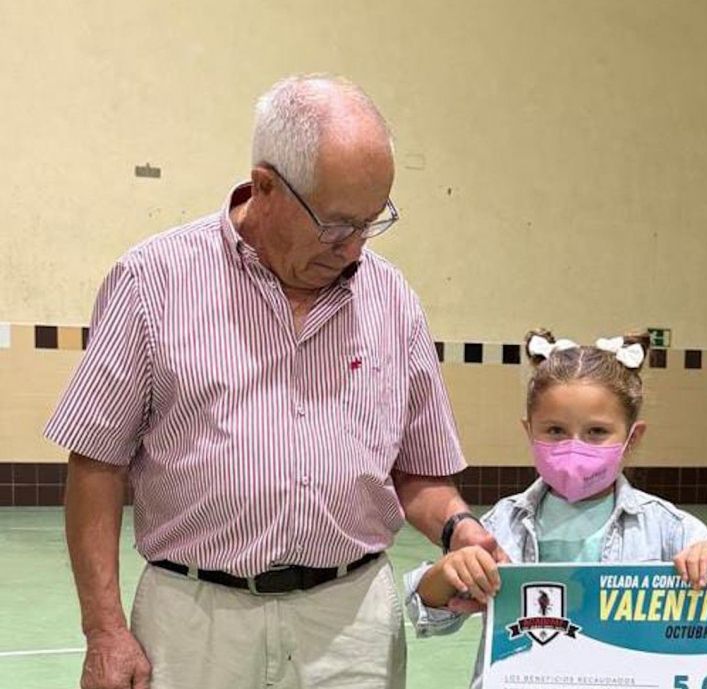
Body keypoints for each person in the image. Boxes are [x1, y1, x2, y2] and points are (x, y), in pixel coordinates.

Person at [44, 74, 500, 689]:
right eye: (336, 225)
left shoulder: (391, 299)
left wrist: (459, 528)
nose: (354, 248)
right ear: (265, 187)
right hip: (195, 620)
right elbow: (96, 463)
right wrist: (104, 630)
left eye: (371, 222)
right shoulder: (153, 281)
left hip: (351, 623)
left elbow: (420, 472)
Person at [404, 330, 707, 689]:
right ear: (529, 431)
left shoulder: (668, 529)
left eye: (596, 431)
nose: (574, 447)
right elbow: (428, 613)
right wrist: (449, 572)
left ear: (632, 438)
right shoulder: (502, 525)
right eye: (555, 430)